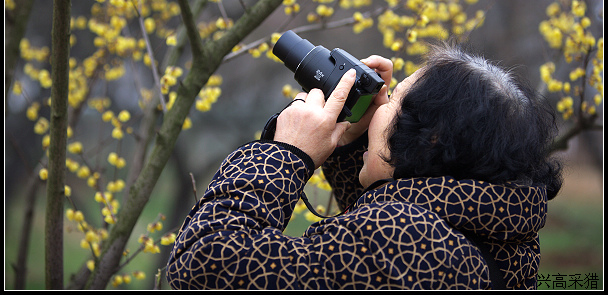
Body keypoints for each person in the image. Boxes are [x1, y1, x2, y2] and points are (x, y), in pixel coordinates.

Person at [166, 42, 562, 290]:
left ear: (431, 138)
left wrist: (286, 154)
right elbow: (361, 260)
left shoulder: (411, 242)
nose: (381, 107)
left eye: (396, 101)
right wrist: (355, 145)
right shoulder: (497, 225)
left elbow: (204, 265)